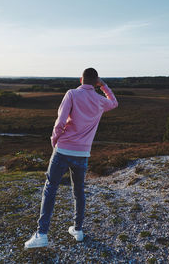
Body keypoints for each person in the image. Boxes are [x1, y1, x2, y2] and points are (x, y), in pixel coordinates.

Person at [24, 68, 118, 249]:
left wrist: (54, 141)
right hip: (83, 154)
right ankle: (78, 230)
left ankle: (42, 234)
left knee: (50, 189)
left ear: (81, 78)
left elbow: (60, 122)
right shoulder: (100, 101)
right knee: (79, 191)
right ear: (96, 81)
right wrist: (104, 86)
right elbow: (114, 103)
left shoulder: (72, 94)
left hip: (63, 150)